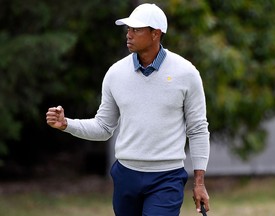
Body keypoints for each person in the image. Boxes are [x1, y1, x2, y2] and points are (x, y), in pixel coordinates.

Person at [46, 3, 210, 216]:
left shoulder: (186, 73)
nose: (129, 34)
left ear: (155, 33)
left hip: (166, 177)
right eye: (128, 29)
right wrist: (67, 124)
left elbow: (197, 130)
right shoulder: (116, 73)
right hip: (126, 176)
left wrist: (199, 182)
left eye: (136, 29)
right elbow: (104, 127)